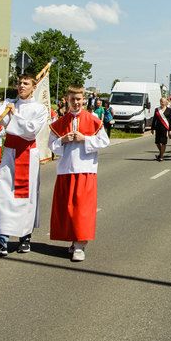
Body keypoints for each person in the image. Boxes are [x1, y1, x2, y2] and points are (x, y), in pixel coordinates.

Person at [0, 74, 50, 256]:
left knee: (25, 197)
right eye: (20, 83)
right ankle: (1, 241)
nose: (21, 86)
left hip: (27, 154)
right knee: (3, 196)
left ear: (34, 87)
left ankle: (24, 238)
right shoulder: (9, 103)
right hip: (9, 153)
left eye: (26, 83)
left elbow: (30, 131)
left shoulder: (39, 109)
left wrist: (14, 114)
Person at [49, 85, 111, 262]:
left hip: (85, 170)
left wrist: (85, 139)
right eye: (72, 99)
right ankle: (73, 240)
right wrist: (63, 139)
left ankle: (80, 245)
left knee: (82, 210)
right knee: (68, 209)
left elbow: (104, 141)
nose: (76, 102)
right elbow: (51, 144)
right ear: (67, 100)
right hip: (66, 169)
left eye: (79, 99)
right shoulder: (61, 122)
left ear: (84, 100)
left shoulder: (92, 119)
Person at [150, 97, 171, 161]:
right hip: (158, 128)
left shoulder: (169, 110)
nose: (162, 103)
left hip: (165, 128)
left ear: (166, 102)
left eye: (164, 102)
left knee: (163, 142)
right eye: (161, 102)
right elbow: (154, 119)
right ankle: (161, 152)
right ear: (160, 102)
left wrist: (170, 130)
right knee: (157, 142)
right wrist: (152, 128)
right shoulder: (157, 109)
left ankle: (161, 156)